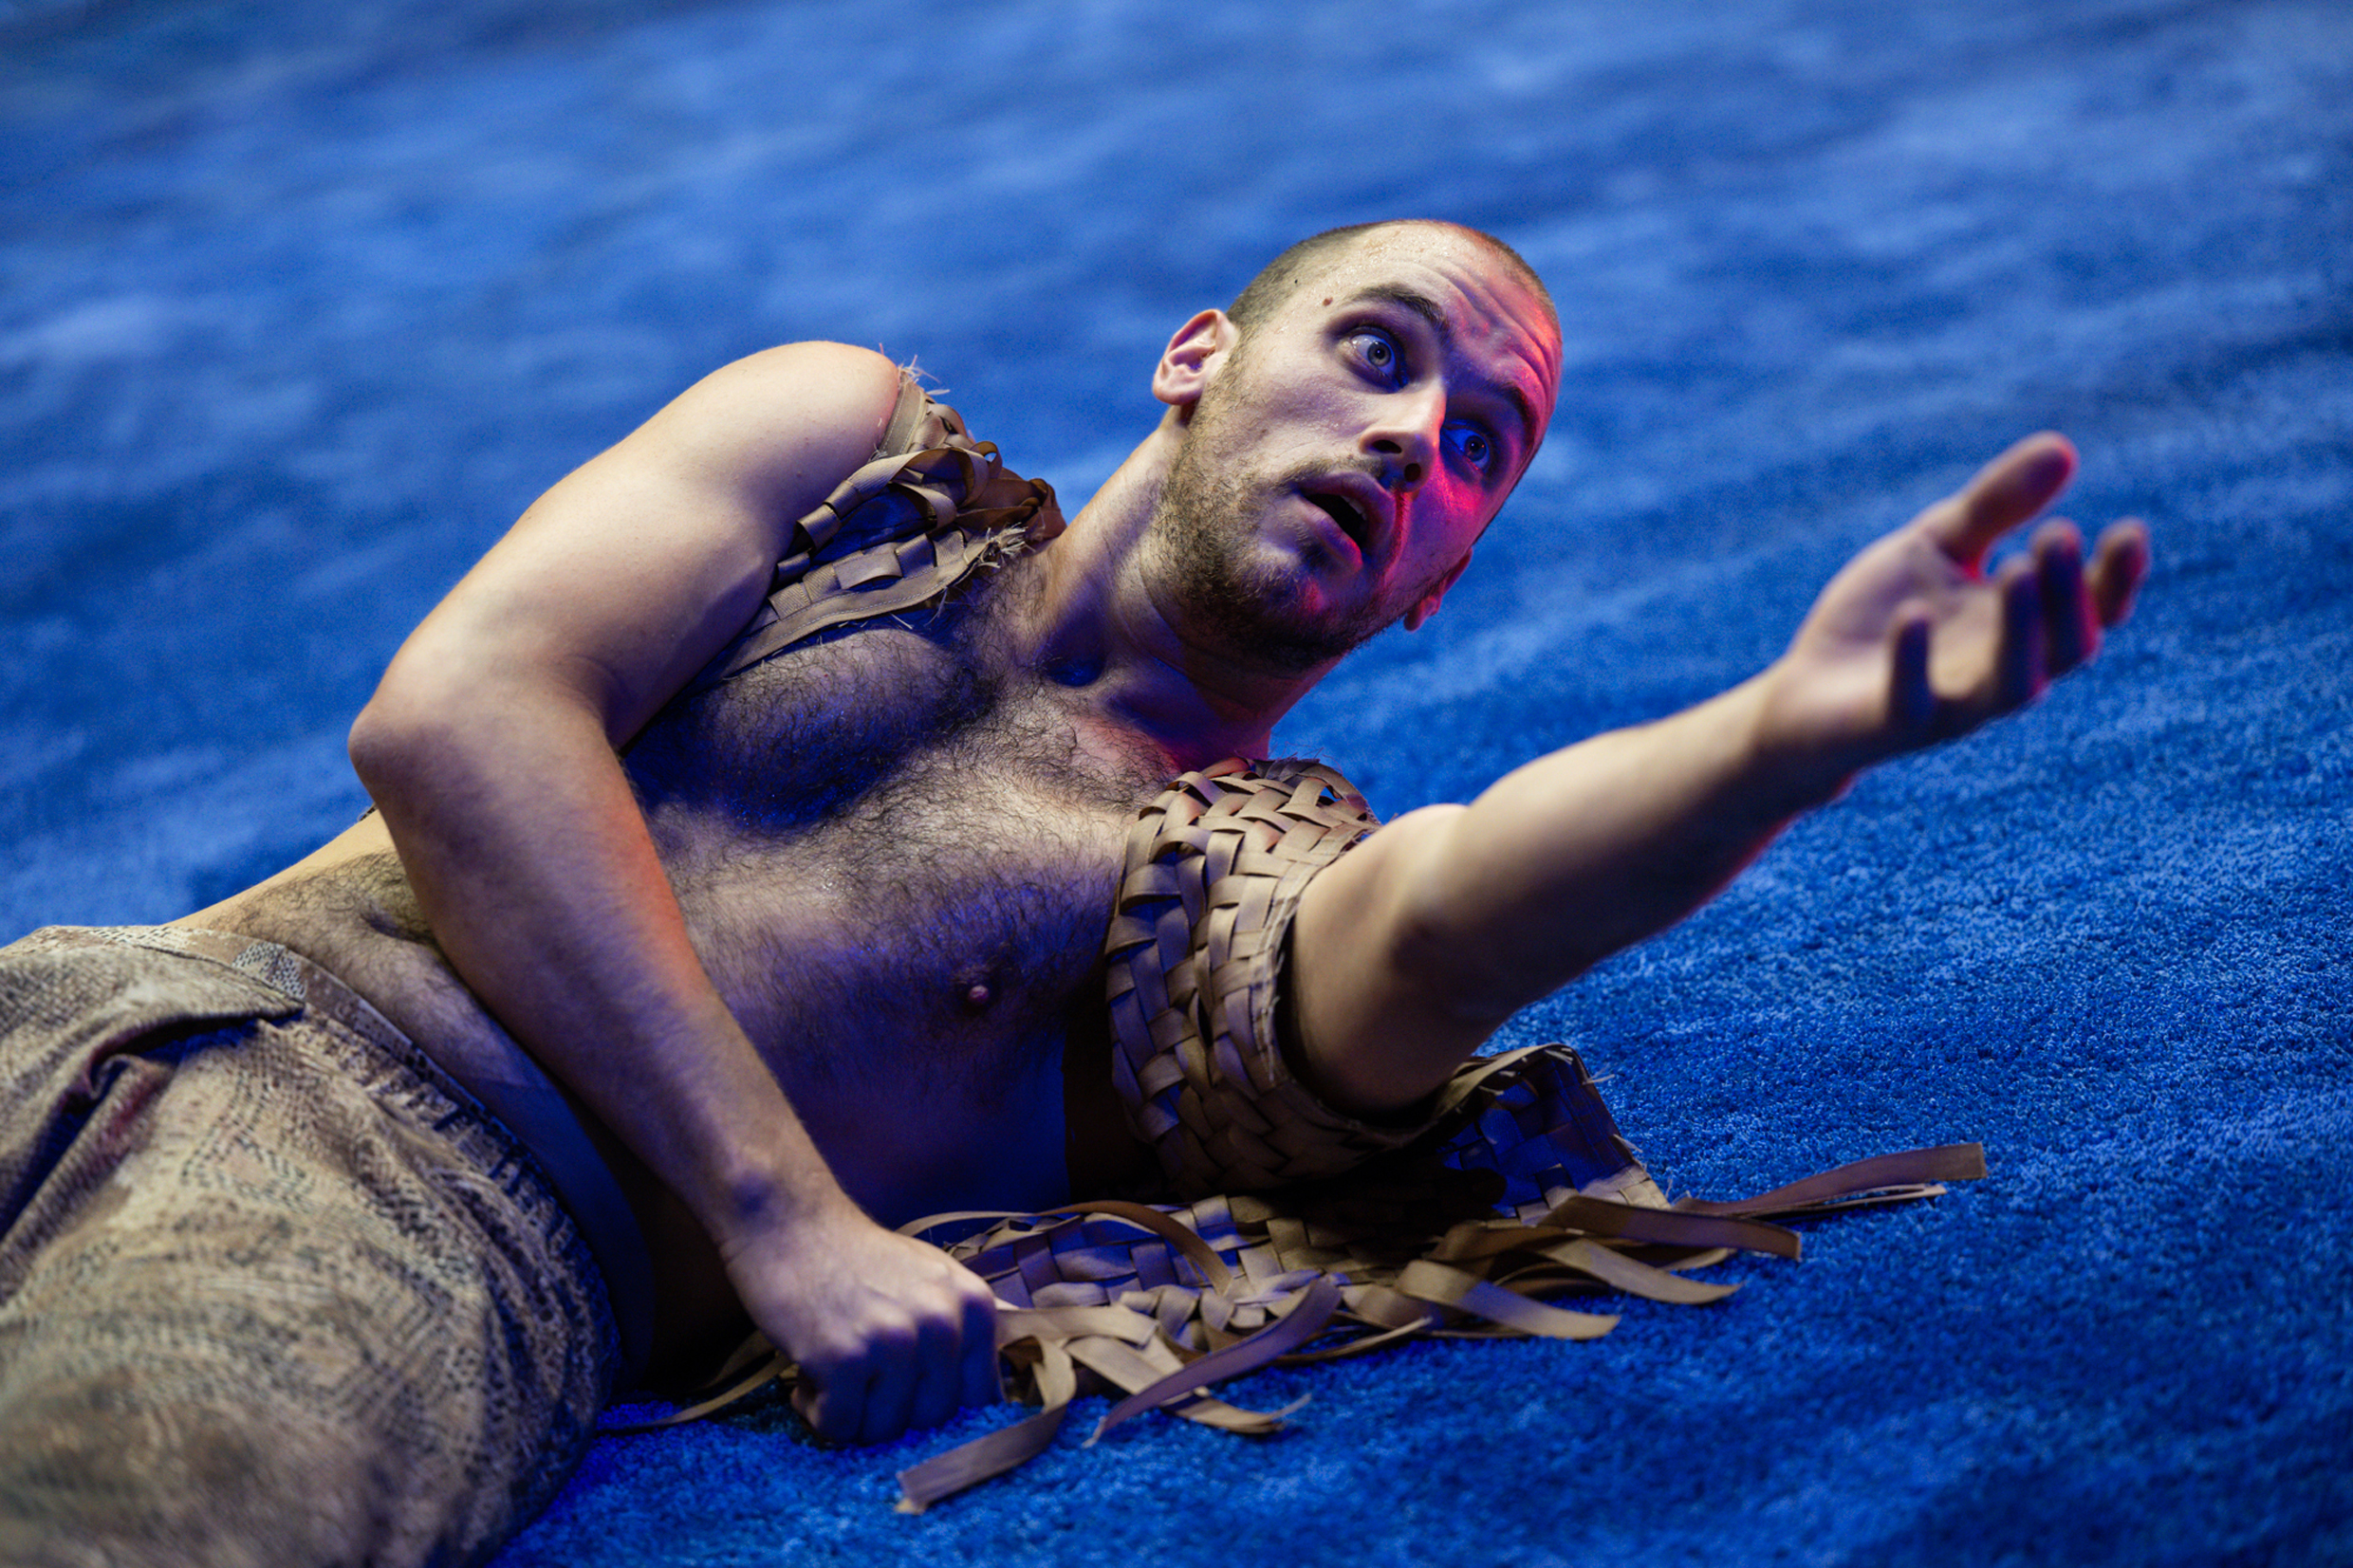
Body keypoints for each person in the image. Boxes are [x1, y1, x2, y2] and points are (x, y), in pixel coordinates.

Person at [0, 219, 2147, 1566]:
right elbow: (457, 711)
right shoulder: (837, 446)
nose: (1417, 438)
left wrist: (1776, 736)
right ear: (1199, 354)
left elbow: (1455, 910)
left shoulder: (1205, 907)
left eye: (1481, 448)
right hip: (98, 996)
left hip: (418, 1216)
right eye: (1380, 352)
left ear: (1440, 586)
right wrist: (784, 1218)